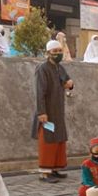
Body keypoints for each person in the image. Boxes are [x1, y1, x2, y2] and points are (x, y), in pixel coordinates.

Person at [33, 40, 74, 184]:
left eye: (59, 51)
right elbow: (40, 92)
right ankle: (45, 172)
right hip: (47, 112)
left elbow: (67, 81)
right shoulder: (42, 68)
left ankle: (55, 169)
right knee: (48, 141)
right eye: (54, 51)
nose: (57, 54)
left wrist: (70, 84)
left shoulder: (60, 68)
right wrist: (41, 112)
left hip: (58, 112)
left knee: (59, 140)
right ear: (48, 53)